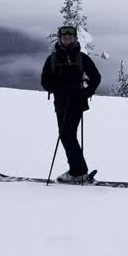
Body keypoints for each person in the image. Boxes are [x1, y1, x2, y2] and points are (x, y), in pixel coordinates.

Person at [40, 24, 101, 183]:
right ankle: (79, 170)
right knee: (66, 135)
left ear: (74, 38)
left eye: (70, 38)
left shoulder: (82, 58)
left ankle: (78, 171)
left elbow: (96, 77)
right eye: (65, 38)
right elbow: (44, 81)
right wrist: (59, 88)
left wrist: (86, 92)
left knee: (67, 135)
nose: (67, 41)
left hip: (76, 102)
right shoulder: (52, 59)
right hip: (60, 103)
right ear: (59, 39)